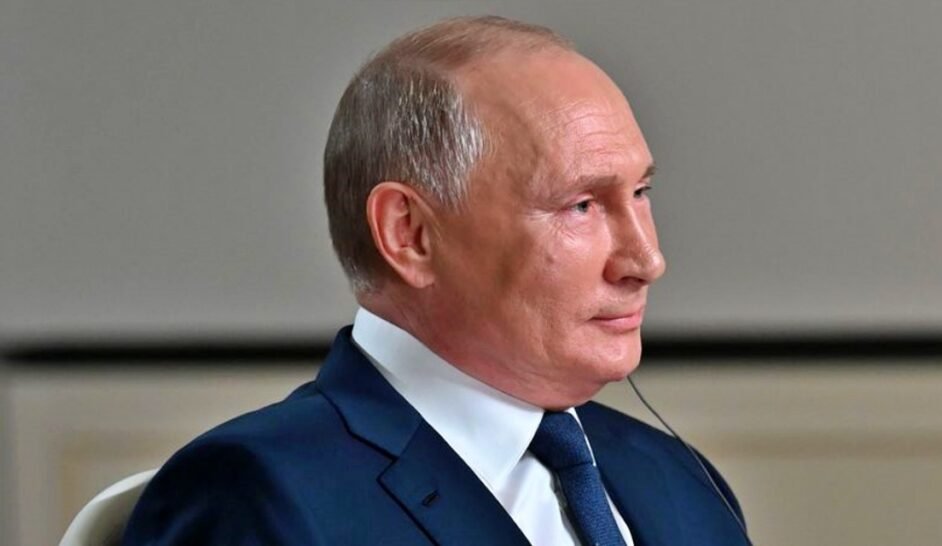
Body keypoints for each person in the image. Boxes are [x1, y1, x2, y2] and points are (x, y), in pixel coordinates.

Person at [122, 15, 749, 546]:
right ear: (411, 234)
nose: (646, 259)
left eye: (640, 192)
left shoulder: (679, 479)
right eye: (580, 206)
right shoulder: (254, 494)